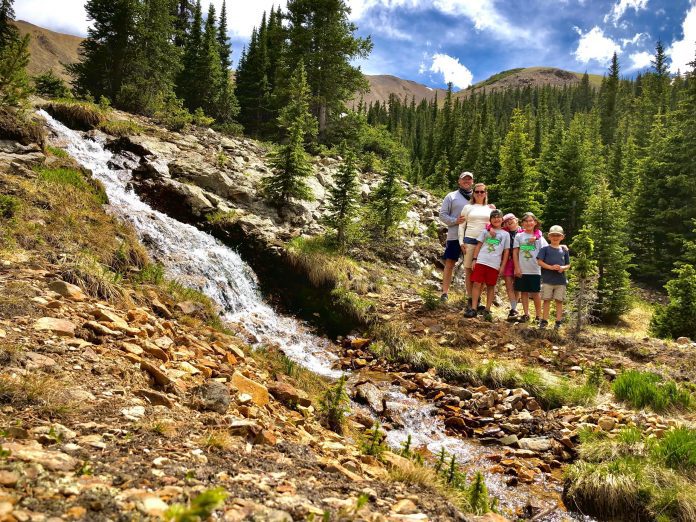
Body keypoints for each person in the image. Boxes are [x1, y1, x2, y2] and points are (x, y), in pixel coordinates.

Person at [464, 209, 510, 321]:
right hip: (481, 260)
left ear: (502, 219)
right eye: (493, 217)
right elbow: (478, 246)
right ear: (490, 220)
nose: (496, 219)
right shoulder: (485, 231)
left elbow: (506, 251)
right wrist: (474, 259)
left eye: (498, 217)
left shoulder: (505, 234)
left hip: (494, 264)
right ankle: (474, 308)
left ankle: (487, 309)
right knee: (476, 284)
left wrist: (502, 266)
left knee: (491, 286)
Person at [438, 171, 474, 302]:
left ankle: (470, 296)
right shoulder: (451, 196)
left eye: (469, 179)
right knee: (450, 263)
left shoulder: (477, 197)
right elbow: (442, 215)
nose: (467, 181)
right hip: (454, 236)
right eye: (464, 179)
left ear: (472, 182)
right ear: (459, 181)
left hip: (471, 237)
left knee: (469, 266)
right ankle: (444, 293)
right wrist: (455, 221)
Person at [458, 182, 493, 310]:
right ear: (473, 193)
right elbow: (462, 225)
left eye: (482, 192)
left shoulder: (490, 209)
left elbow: (494, 225)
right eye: (477, 191)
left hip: (485, 243)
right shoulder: (467, 207)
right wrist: (461, 242)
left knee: (481, 272)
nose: (479, 194)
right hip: (469, 240)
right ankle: (470, 298)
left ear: (486, 193)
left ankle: (477, 299)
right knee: (468, 271)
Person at [512, 212, 547, 323]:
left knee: (536, 293)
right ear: (522, 223)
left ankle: (538, 316)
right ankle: (526, 314)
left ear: (535, 222)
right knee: (524, 292)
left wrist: (562, 247)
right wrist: (516, 268)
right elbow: (515, 253)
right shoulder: (519, 236)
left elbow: (547, 249)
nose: (528, 223)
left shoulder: (540, 238)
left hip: (535, 270)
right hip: (522, 269)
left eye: (531, 221)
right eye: (526, 221)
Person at [537, 225, 571, 329]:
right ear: (549, 236)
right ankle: (544, 320)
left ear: (562, 237)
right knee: (546, 300)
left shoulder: (564, 250)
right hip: (547, 280)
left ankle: (558, 321)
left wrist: (562, 268)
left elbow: (568, 265)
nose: (555, 237)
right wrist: (550, 267)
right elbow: (539, 262)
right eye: (553, 235)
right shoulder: (545, 249)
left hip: (560, 281)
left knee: (559, 301)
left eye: (558, 235)